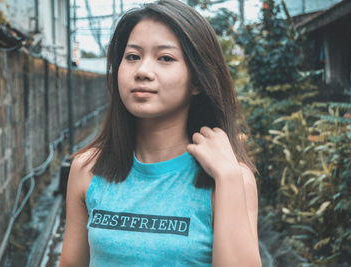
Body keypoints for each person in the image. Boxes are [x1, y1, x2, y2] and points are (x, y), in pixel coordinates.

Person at [59, 0, 261, 266]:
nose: (142, 71)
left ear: (198, 81)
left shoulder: (230, 178)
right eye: (132, 57)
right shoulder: (87, 169)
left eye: (165, 58)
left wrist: (228, 177)